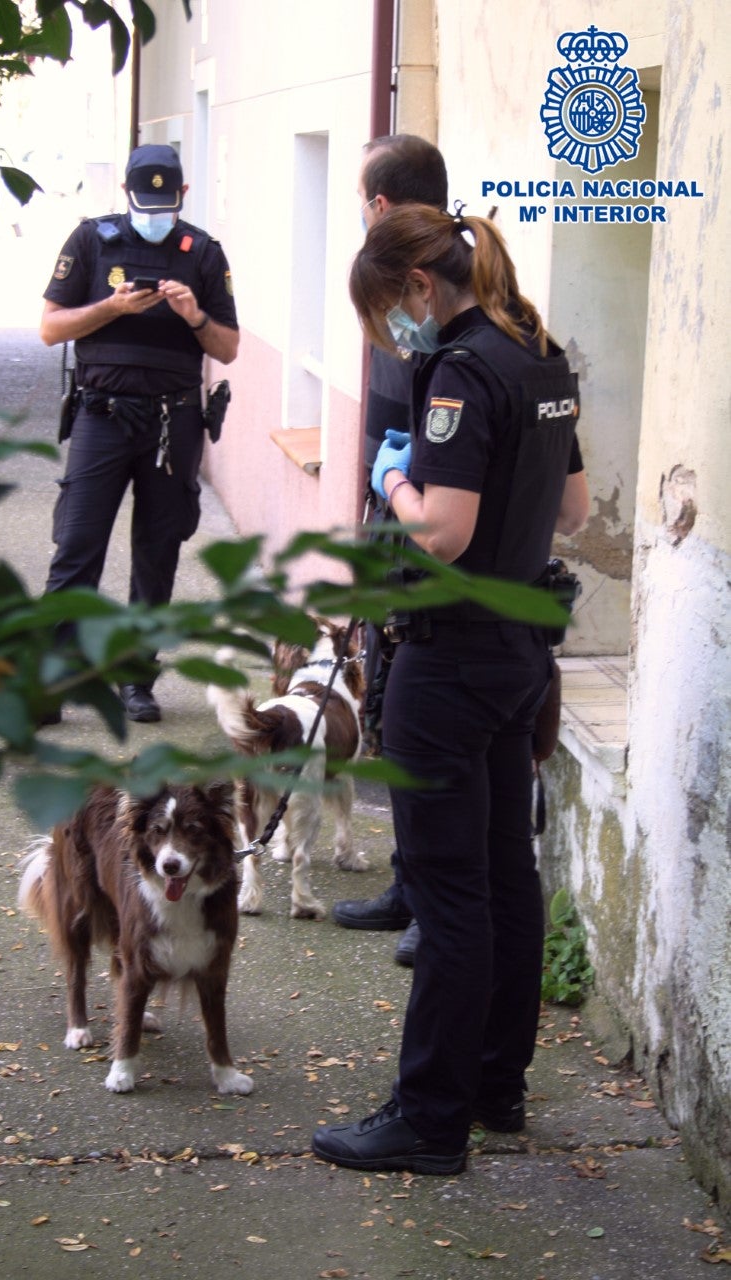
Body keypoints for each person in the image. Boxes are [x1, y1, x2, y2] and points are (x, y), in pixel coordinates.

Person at [311, 204, 590, 1175]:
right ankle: (493, 1086)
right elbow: (573, 507)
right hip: (517, 653)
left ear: (419, 286)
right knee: (506, 875)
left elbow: (443, 532)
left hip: (450, 658)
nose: (395, 336)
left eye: (389, 315)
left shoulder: (463, 370)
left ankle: (429, 1118)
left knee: (449, 893)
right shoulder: (539, 350)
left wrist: (393, 483)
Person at [39, 144, 239, 722]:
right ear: (126, 194)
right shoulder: (90, 241)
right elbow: (51, 328)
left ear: (182, 195)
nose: (156, 214)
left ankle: (135, 679)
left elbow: (228, 347)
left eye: (166, 203)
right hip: (101, 417)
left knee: (157, 554)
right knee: (76, 550)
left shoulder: (204, 252)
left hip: (173, 423)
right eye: (145, 204)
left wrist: (194, 316)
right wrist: (112, 308)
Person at [332, 134, 448, 964]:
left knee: (420, 722)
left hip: (430, 526)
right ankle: (409, 884)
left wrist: (399, 489)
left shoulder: (432, 286)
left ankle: (431, 902)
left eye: (360, 200)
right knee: (386, 710)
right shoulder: (391, 279)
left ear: (378, 203)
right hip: (389, 514)